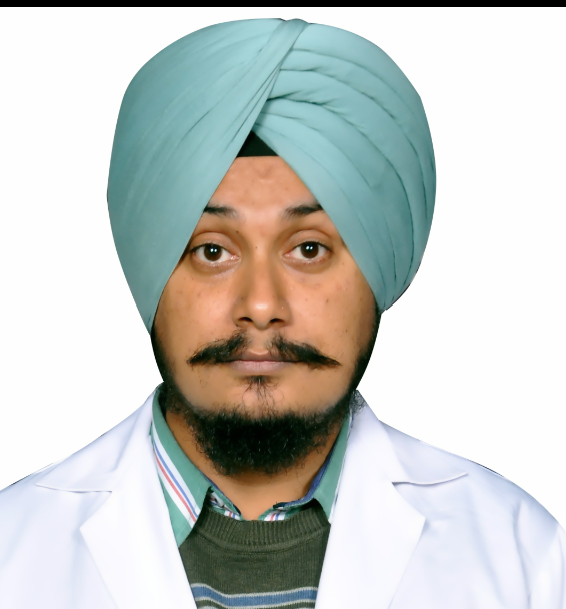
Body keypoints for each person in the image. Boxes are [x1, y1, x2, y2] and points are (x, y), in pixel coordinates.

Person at [0, 17, 564, 609]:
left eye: (309, 250)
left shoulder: (521, 558)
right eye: (212, 251)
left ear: (378, 271)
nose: (262, 307)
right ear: (149, 272)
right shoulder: (14, 554)